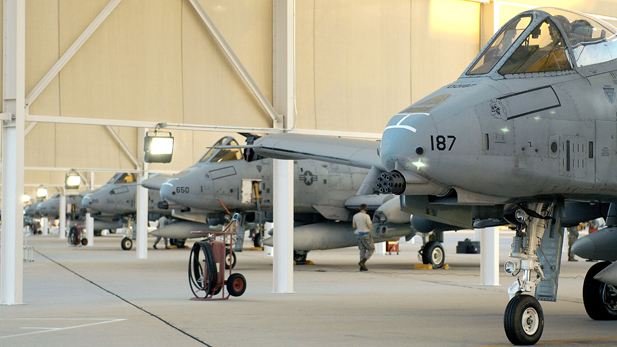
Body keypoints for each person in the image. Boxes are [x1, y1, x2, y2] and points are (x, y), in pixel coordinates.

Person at [353, 204, 374, 271]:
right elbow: (370, 226)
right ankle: (363, 261)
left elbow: (354, 226)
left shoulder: (355, 216)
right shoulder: (366, 216)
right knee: (371, 249)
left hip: (359, 234)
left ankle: (362, 267)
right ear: (366, 209)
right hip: (366, 234)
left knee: (362, 250)